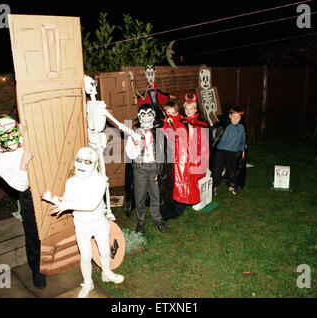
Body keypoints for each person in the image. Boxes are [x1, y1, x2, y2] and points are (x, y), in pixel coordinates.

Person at [41, 147, 124, 298]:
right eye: (79, 160)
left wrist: (66, 205)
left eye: (87, 162)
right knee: (85, 256)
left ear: (95, 165)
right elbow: (66, 201)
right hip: (81, 225)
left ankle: (107, 273)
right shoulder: (71, 182)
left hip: (99, 223)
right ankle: (88, 283)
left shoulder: (100, 181)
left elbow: (91, 204)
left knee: (105, 252)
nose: (82, 165)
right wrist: (52, 198)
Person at [0, 114, 46, 289]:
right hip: (28, 193)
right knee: (33, 232)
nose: (11, 135)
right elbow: (20, 185)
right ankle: (37, 270)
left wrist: (28, 132)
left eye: (12, 130)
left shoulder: (21, 136)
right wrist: (22, 165)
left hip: (45, 182)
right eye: (4, 133)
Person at [163, 95, 210, 217]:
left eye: (191, 109)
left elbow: (201, 141)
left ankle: (195, 199)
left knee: (193, 179)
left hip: (194, 156)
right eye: (187, 109)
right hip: (183, 156)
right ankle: (184, 201)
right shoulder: (182, 121)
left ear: (196, 109)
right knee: (184, 180)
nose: (189, 111)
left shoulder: (199, 122)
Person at [125, 104, 168, 234]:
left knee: (156, 194)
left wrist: (160, 172)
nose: (146, 118)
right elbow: (131, 154)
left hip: (154, 168)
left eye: (149, 114)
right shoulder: (134, 134)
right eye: (143, 115)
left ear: (153, 116)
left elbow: (162, 154)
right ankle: (141, 220)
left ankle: (157, 218)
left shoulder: (158, 132)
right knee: (140, 195)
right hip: (140, 169)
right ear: (139, 117)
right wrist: (136, 144)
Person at [211, 106, 246, 195]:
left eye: (238, 117)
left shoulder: (241, 128)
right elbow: (215, 134)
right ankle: (214, 186)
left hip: (233, 152)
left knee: (232, 169)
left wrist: (242, 151)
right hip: (221, 151)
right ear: (230, 116)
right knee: (217, 169)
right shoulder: (225, 125)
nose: (235, 119)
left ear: (241, 118)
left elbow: (242, 140)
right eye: (234, 116)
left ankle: (232, 184)